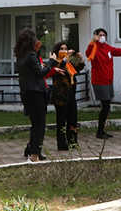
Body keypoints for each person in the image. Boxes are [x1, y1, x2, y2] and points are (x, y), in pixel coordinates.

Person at [15, 29, 62, 162]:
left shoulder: (21, 55)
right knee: (40, 124)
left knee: (35, 123)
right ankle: (35, 155)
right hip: (35, 93)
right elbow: (41, 72)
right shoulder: (31, 56)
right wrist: (52, 61)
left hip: (26, 92)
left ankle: (34, 151)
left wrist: (36, 51)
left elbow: (34, 68)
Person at [85, 28, 121, 139]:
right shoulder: (94, 47)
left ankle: (102, 130)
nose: (102, 37)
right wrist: (92, 42)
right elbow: (88, 54)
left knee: (107, 106)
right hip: (99, 81)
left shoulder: (108, 48)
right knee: (105, 105)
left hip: (108, 80)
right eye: (99, 35)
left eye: (104, 35)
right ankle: (100, 131)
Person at [48, 40, 85, 151]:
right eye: (62, 49)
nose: (64, 51)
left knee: (73, 117)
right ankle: (62, 143)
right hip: (60, 95)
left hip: (70, 92)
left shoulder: (68, 63)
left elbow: (76, 70)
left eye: (65, 49)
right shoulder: (54, 62)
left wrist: (81, 59)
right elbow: (59, 69)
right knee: (61, 120)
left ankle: (72, 141)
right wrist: (66, 57)